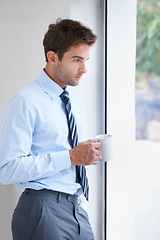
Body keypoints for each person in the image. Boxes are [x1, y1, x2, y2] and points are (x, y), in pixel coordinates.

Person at [0, 18, 101, 240]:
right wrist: (71, 156)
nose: (84, 69)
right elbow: (7, 169)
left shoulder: (75, 99)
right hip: (42, 209)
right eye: (76, 60)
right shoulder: (25, 101)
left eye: (85, 60)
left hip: (77, 207)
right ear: (52, 57)